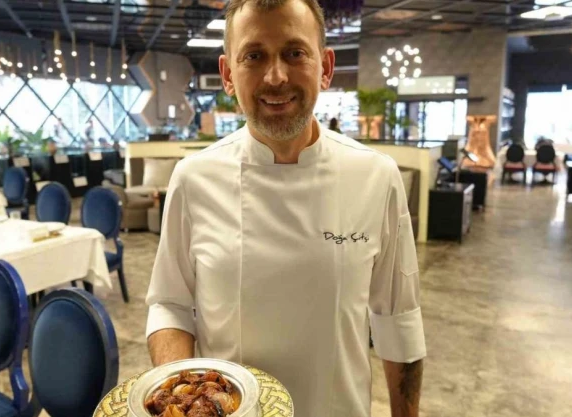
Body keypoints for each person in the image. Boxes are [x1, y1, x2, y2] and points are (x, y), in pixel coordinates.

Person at [145, 0, 425, 416]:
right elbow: (169, 304)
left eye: (295, 53)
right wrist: (181, 400)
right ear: (227, 74)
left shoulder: (376, 176)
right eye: (254, 56)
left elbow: (399, 321)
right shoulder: (193, 178)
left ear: (325, 67)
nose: (276, 77)